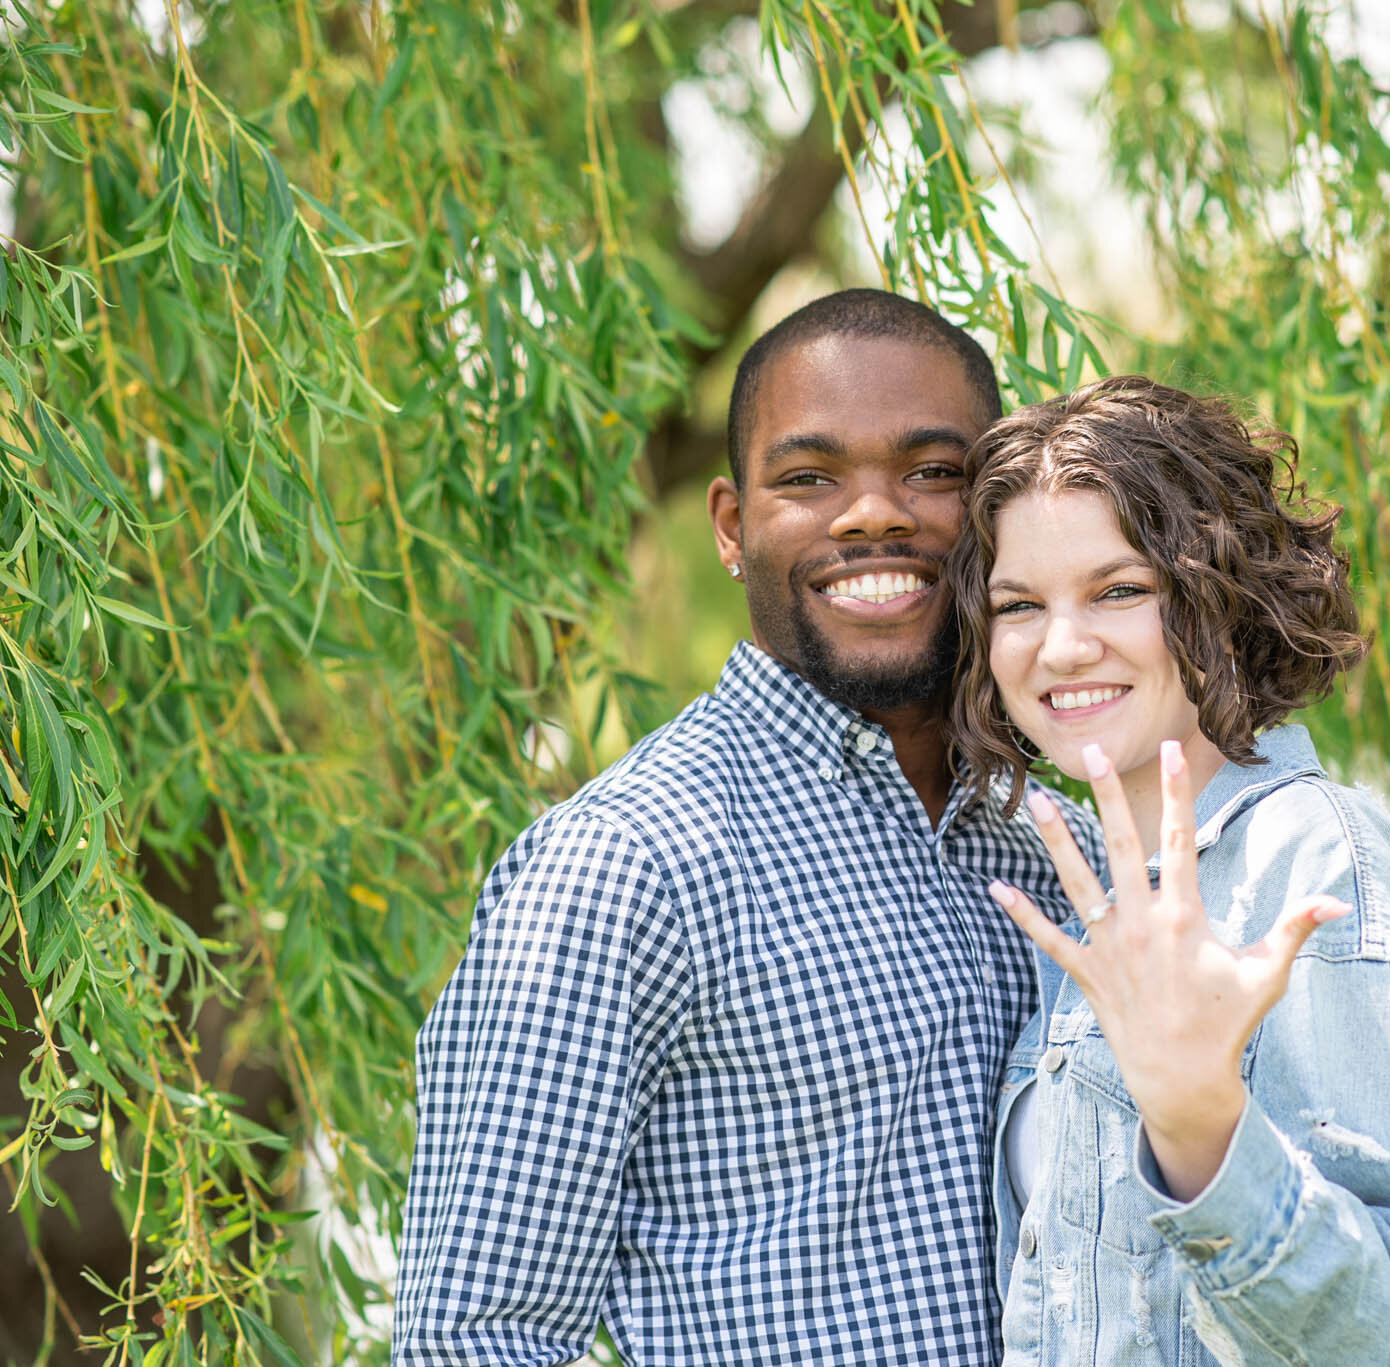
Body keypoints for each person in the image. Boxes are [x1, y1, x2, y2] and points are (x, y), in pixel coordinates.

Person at [392, 290, 1102, 1367]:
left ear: (998, 509)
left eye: (931, 471)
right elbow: (476, 1336)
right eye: (808, 478)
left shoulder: (1065, 852)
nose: (872, 514)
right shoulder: (618, 870)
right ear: (730, 525)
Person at [947, 376, 1390, 1367]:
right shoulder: (1096, 891)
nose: (1061, 645)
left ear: (1216, 591)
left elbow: (1377, 1337)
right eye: (1018, 604)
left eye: (1118, 589)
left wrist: (1202, 1125)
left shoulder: (1318, 866)